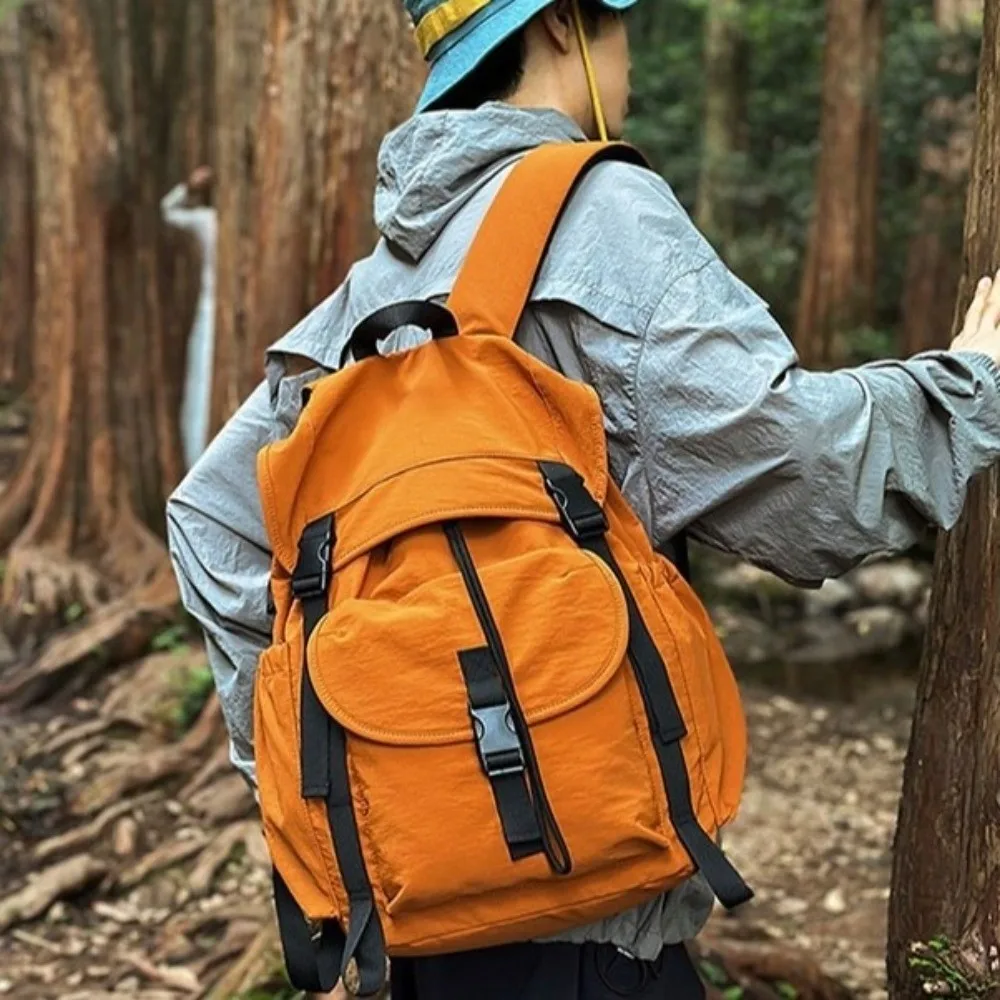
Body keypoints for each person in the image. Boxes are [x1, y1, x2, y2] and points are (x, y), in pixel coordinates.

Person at [166, 1, 1000, 997]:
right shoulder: (594, 210)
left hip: (423, 922)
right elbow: (799, 475)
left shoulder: (379, 282)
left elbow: (211, 524)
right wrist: (968, 382)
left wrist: (331, 798)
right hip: (592, 919)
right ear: (561, 23)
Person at [161, 165, 218, 470]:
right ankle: (196, 458)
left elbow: (167, 209)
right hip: (212, 310)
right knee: (201, 383)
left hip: (235, 315)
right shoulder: (210, 221)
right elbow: (165, 211)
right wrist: (189, 185)